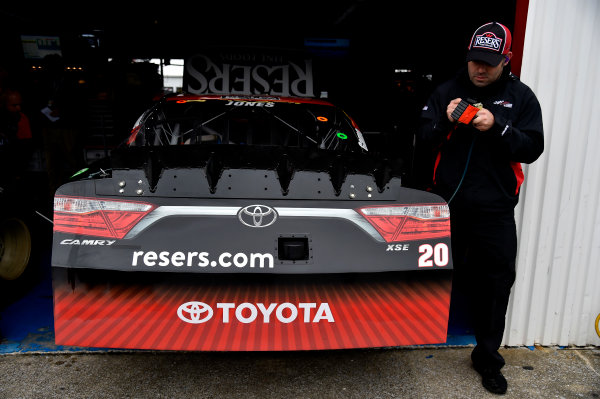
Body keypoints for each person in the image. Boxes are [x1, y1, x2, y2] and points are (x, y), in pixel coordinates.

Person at [416, 22, 544, 394]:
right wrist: (445, 120)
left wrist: (497, 125)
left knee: (495, 282)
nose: (481, 69)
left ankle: (487, 359)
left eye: (489, 62)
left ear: (506, 59)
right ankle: (410, 337)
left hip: (494, 211)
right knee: (426, 273)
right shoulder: (447, 91)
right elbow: (422, 141)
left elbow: (532, 148)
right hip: (446, 206)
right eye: (475, 61)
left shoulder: (520, 97)